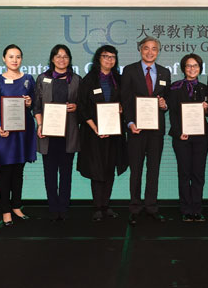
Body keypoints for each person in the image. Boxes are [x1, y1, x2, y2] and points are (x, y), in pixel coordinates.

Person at [121, 36, 171, 225]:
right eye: (146, 48)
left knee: (154, 169)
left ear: (158, 51)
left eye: (154, 49)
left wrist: (164, 104)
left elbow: (166, 101)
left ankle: (151, 207)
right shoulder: (129, 70)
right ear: (140, 49)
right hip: (136, 129)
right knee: (136, 170)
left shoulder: (165, 72)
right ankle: (134, 207)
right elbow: (125, 99)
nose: (150, 52)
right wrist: (130, 122)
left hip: (156, 130)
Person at [0, 44, 37, 226]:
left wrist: (30, 102)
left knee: (19, 171)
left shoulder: (29, 79)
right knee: (6, 170)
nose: (15, 60)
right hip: (5, 131)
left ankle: (16, 206)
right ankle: (5, 209)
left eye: (18, 57)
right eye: (11, 57)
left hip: (24, 131)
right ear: (4, 59)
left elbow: (35, 103)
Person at [77, 45, 127, 222]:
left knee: (110, 168)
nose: (109, 60)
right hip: (94, 133)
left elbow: (126, 102)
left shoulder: (119, 80)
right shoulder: (88, 80)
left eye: (113, 57)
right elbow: (81, 107)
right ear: (98, 58)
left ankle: (106, 205)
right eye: (106, 56)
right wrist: (95, 127)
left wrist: (122, 108)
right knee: (97, 169)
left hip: (114, 133)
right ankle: (97, 206)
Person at [34, 44, 81, 221]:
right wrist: (40, 125)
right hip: (48, 134)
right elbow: (37, 106)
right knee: (50, 173)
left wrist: (76, 106)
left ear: (69, 60)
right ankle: (53, 207)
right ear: (52, 59)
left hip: (69, 134)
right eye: (58, 56)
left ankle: (64, 207)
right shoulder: (42, 78)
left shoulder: (76, 79)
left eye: (65, 56)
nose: (62, 59)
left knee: (66, 173)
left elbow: (83, 106)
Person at [167, 54, 208, 222]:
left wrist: (206, 109)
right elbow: (173, 113)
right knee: (184, 173)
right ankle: (186, 209)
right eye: (188, 66)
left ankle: (197, 209)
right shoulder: (175, 88)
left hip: (201, 136)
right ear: (183, 68)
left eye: (196, 66)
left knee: (198, 174)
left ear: (200, 68)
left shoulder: (205, 88)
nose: (192, 69)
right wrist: (179, 132)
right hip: (181, 137)